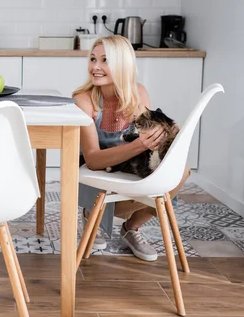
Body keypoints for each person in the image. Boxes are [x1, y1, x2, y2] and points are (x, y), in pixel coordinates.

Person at [73, 35, 190, 262]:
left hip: (128, 164)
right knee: (134, 183)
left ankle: (131, 227)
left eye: (105, 60)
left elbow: (149, 143)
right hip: (97, 170)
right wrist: (140, 144)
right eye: (93, 59)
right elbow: (94, 159)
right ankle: (91, 213)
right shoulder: (83, 100)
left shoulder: (138, 93)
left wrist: (168, 133)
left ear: (122, 65)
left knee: (180, 172)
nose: (95, 67)